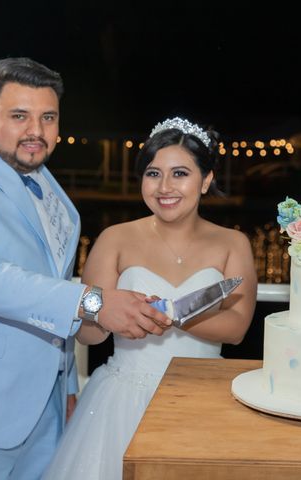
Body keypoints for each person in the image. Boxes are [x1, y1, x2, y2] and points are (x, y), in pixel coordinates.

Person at [0, 57, 171, 480]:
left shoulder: (51, 189)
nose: (36, 131)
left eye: (48, 117)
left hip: (44, 414)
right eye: (19, 116)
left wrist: (66, 387)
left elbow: (48, 287)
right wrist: (94, 302)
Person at [42, 117, 258, 479]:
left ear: (205, 180)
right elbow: (88, 335)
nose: (165, 187)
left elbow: (236, 328)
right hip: (121, 400)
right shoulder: (114, 239)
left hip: (201, 398)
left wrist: (174, 313)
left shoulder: (233, 243)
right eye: (153, 173)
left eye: (180, 174)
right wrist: (107, 313)